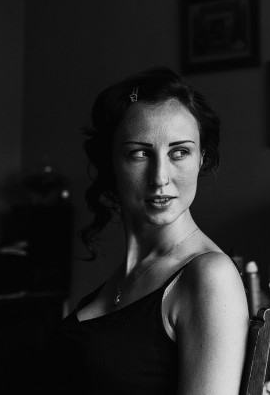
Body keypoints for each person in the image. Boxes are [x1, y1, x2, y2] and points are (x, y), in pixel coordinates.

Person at [51, 67, 249, 394]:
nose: (160, 177)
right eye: (140, 153)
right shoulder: (128, 274)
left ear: (201, 158)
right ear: (111, 162)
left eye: (179, 152)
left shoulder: (209, 275)